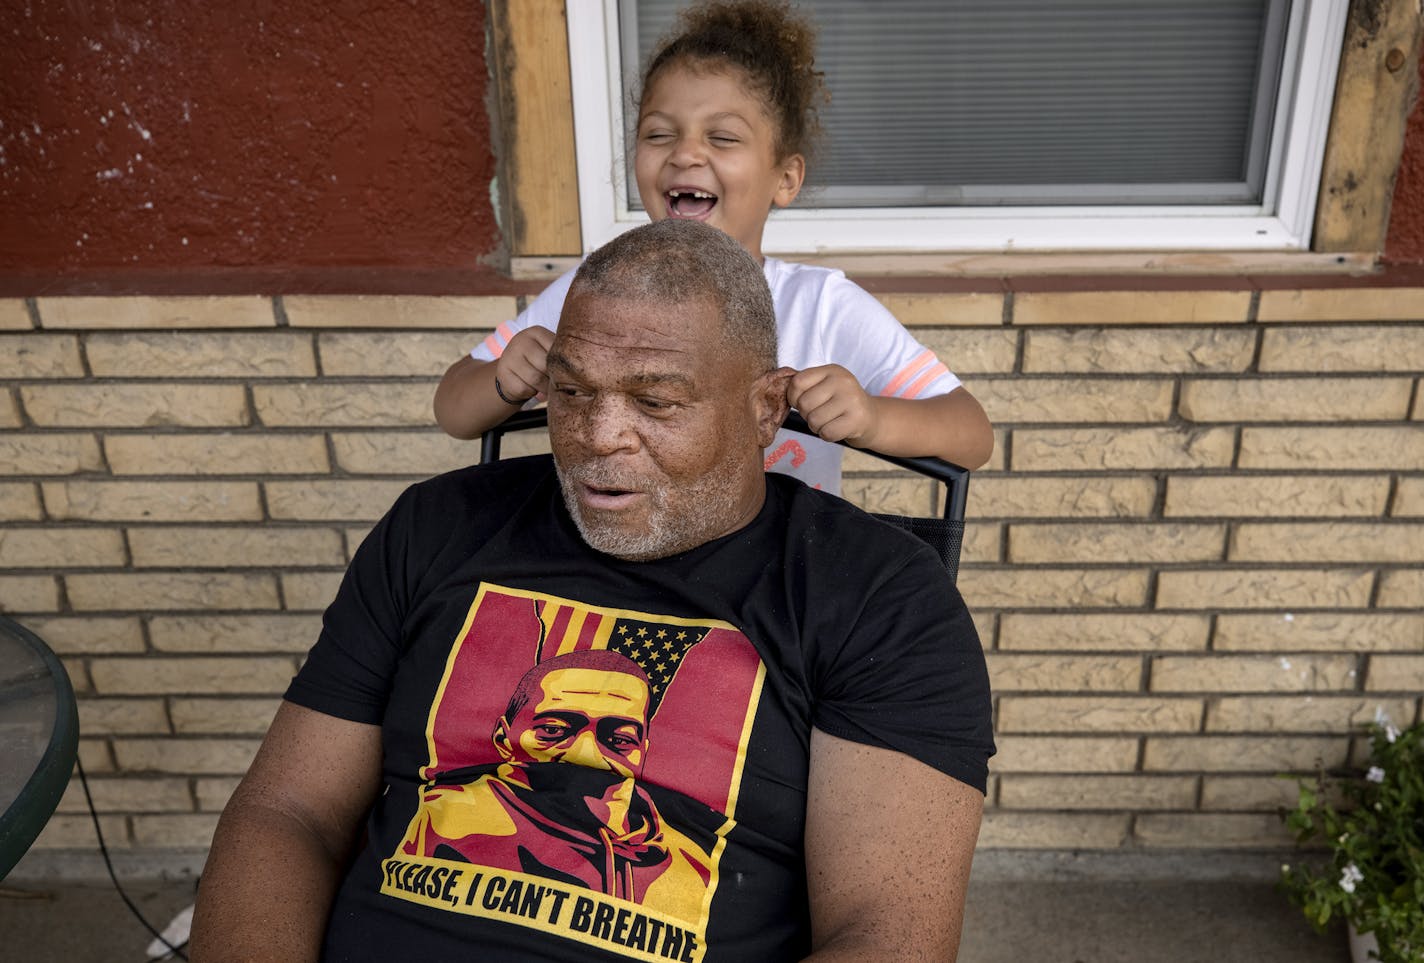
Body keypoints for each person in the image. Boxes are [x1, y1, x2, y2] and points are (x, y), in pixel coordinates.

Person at [190, 218, 993, 962]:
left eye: (654, 401)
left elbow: (888, 934)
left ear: (763, 408)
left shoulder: (877, 596)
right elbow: (285, 810)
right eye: (571, 393)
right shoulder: (438, 527)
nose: (597, 437)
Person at [432, 0, 993, 494]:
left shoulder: (822, 307)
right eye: (658, 133)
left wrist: (872, 419)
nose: (685, 154)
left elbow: (971, 433)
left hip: (772, 590)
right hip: (623, 571)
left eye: (722, 137)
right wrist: (507, 379)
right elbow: (454, 408)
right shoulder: (595, 291)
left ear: (786, 178)